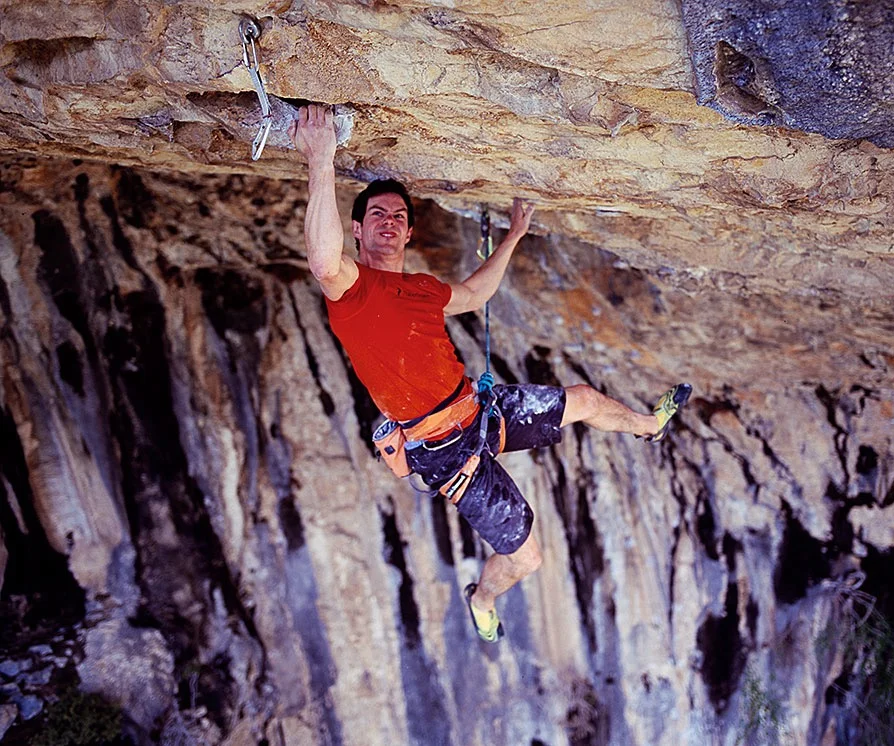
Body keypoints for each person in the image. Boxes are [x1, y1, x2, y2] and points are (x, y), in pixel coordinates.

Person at [290, 105, 691, 643]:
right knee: (527, 557)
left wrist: (514, 236)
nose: (391, 222)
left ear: (409, 234)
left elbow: (476, 293)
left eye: (400, 217)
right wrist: (321, 157)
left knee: (586, 400)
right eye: (379, 215)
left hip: (479, 408)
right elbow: (321, 260)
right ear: (358, 230)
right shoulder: (351, 290)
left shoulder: (425, 290)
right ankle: (481, 596)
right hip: (444, 449)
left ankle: (649, 426)